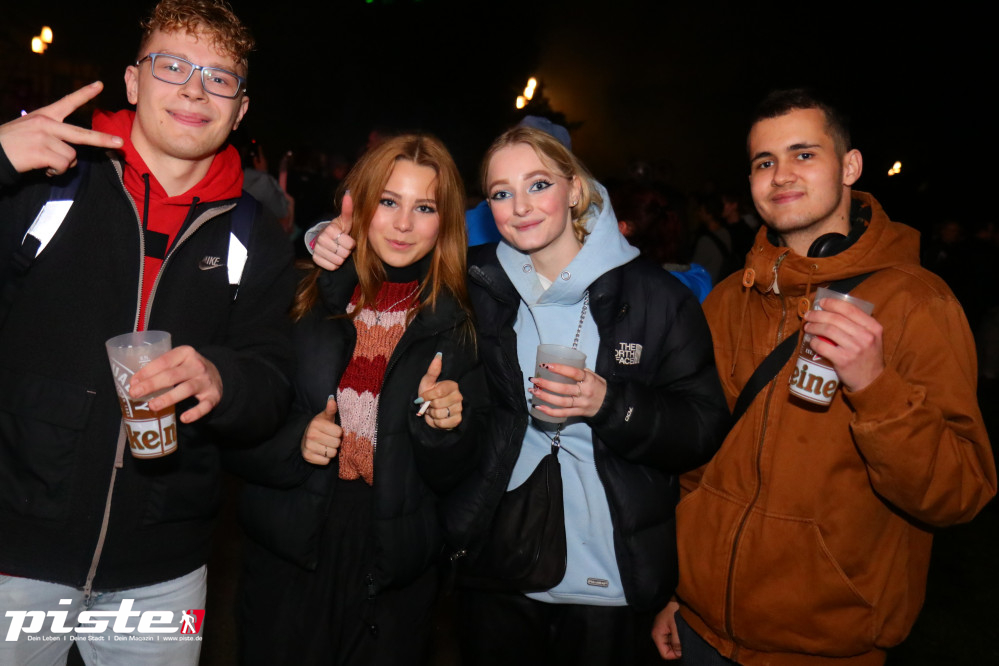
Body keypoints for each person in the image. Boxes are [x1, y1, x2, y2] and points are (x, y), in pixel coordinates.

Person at [652, 89, 997, 665]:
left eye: (804, 154)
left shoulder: (919, 304)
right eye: (764, 161)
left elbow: (959, 493)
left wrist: (875, 387)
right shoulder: (729, 301)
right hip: (698, 630)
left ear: (850, 167)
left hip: (824, 647)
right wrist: (677, 591)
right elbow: (696, 463)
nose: (781, 174)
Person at [0, 1, 295, 663]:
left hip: (166, 569)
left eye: (219, 78)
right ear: (133, 82)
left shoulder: (256, 236)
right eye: (171, 66)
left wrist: (222, 378)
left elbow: (273, 382)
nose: (194, 90)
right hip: (15, 550)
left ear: (240, 110)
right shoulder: (46, 183)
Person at [452, 127, 728, 665]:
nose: (520, 206)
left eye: (538, 184)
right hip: (498, 571)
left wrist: (611, 404)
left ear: (575, 189)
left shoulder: (656, 296)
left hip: (609, 579)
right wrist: (329, 237)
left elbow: (702, 427)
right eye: (502, 192)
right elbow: (393, 267)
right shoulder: (475, 283)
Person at [232, 134, 487, 665]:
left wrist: (443, 430)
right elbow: (238, 421)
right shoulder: (302, 295)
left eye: (425, 208)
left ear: (445, 222)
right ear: (362, 204)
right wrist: (296, 440)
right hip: (291, 551)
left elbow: (460, 476)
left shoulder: (461, 322)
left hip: (393, 568)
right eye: (389, 201)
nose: (403, 224)